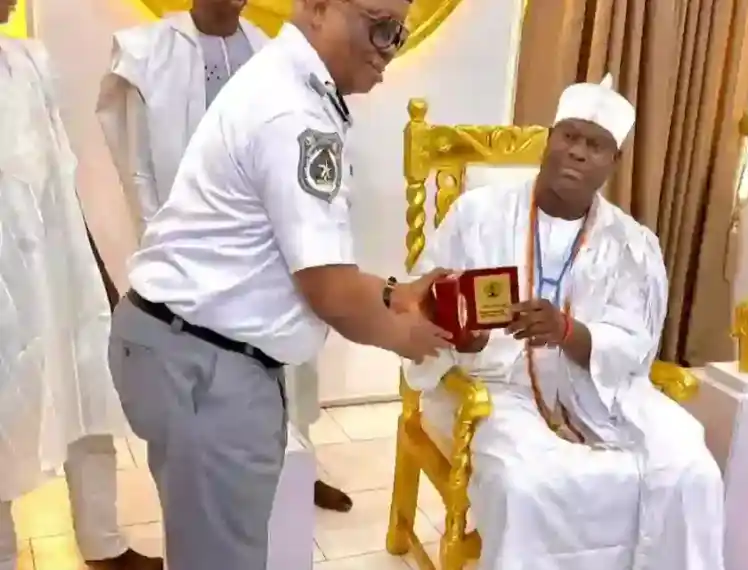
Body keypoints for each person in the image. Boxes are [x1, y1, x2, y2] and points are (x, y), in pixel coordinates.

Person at [105, 0, 447, 568]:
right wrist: (406, 338)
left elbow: (296, 260)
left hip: (198, 348)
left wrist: (393, 294)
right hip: (204, 361)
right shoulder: (294, 112)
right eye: (379, 27)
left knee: (217, 548)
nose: (390, 48)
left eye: (400, 33)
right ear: (318, 8)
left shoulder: (292, 85)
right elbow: (329, 291)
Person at [404, 75, 726, 569]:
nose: (577, 152)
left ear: (614, 161)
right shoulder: (478, 215)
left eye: (595, 145)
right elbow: (423, 302)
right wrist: (464, 338)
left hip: (597, 387)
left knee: (691, 467)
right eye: (569, 136)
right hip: (497, 387)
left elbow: (635, 342)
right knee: (526, 485)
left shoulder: (631, 243)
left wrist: (569, 333)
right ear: (549, 139)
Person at [96, 0, 352, 513]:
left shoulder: (270, 48)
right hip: (194, 255)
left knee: (291, 366)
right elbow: (139, 171)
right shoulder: (150, 51)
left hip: (270, 245)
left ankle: (295, 464)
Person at [0, 11, 161, 570]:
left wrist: (95, 269)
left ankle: (103, 543)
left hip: (57, 268)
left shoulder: (29, 62)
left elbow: (60, 179)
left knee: (87, 394)